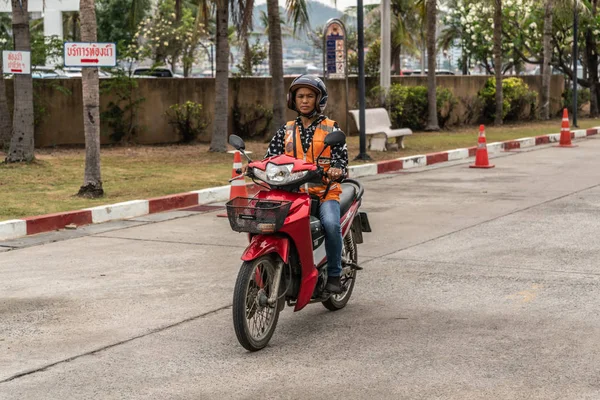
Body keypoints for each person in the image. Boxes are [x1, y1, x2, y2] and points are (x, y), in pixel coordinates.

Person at [265, 75, 348, 294]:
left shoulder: (332, 128)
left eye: (309, 96)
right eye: (300, 96)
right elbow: (270, 158)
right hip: (292, 193)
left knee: (331, 225)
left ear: (319, 99)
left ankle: (334, 274)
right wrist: (255, 167)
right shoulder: (286, 129)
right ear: (292, 99)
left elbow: (341, 159)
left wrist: (337, 170)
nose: (304, 100)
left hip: (323, 193)